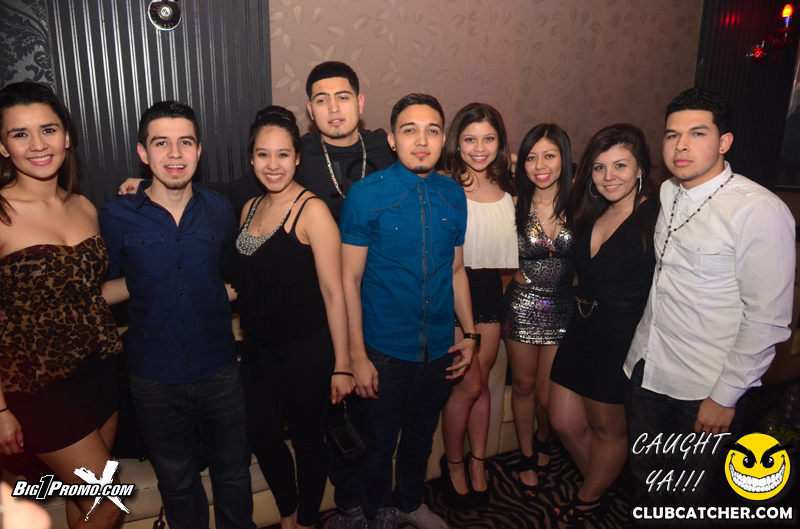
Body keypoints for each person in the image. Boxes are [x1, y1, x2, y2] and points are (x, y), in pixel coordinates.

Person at [623, 88, 795, 510]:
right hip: (646, 369)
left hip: (704, 388)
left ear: (724, 142)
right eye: (672, 135)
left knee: (691, 500)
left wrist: (724, 397)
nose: (681, 145)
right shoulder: (669, 193)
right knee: (646, 484)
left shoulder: (758, 210)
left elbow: (767, 320)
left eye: (697, 133)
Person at [100, 101, 254, 529]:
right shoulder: (116, 214)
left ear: (199, 151)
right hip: (154, 376)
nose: (174, 154)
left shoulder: (219, 209)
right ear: (142, 152)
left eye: (185, 142)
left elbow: (228, 277)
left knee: (234, 474)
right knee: (178, 483)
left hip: (219, 368)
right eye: (161, 143)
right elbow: (107, 287)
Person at [339, 93, 476, 528]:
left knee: (420, 436)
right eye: (410, 130)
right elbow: (348, 281)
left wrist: (470, 334)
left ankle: (411, 502)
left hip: (438, 348)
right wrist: (356, 356)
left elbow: (456, 270)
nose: (421, 140)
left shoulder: (454, 195)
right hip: (383, 348)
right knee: (379, 442)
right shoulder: (365, 195)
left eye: (432, 131)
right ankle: (378, 510)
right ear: (392, 139)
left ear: (443, 139)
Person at [0, 82, 125, 529]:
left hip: (100, 368)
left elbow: (87, 298)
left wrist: (155, 276)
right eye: (20, 134)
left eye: (48, 129)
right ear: (3, 146)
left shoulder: (84, 207)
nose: (38, 144)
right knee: (108, 501)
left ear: (67, 136)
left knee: (86, 502)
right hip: (40, 386)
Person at [228, 106, 354, 529]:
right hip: (259, 346)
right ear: (251, 159)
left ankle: (304, 521)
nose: (273, 164)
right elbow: (246, 282)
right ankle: (288, 510)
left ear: (297, 158)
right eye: (263, 154)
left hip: (307, 346)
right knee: (260, 434)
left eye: (283, 154)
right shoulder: (248, 208)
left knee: (307, 439)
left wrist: (343, 364)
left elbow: (335, 293)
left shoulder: (312, 210)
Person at [547, 124, 658, 523]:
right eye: (599, 167)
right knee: (562, 420)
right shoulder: (594, 208)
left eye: (620, 165)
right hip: (580, 327)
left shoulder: (657, 216)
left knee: (608, 429)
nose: (609, 176)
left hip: (620, 335)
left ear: (640, 168)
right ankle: (603, 483)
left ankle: (588, 499)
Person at [118, 61, 395, 220]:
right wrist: (152, 183)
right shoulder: (294, 155)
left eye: (343, 97)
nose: (333, 109)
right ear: (310, 110)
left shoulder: (387, 146)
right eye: (322, 100)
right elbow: (231, 193)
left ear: (359, 103)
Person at [438, 103, 517, 510]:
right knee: (467, 386)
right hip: (452, 292)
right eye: (470, 139)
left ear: (500, 143)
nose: (479, 148)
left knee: (482, 383)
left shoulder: (509, 187)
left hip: (488, 291)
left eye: (489, 138)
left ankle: (478, 463)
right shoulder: (444, 184)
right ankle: (453, 464)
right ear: (457, 141)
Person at [498, 124, 575, 498]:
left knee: (547, 397)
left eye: (549, 155)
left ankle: (544, 438)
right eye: (531, 157)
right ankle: (528, 454)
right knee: (524, 386)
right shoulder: (513, 203)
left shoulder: (582, 203)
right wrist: (511, 162)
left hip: (563, 307)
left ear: (564, 158)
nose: (540, 165)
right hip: (523, 305)